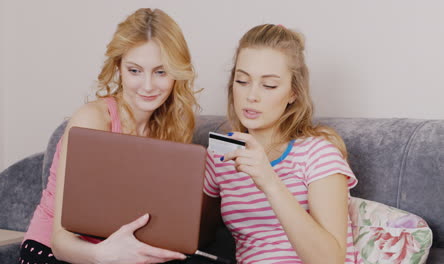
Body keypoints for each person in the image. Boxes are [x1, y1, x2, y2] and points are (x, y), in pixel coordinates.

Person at [20, 8, 198, 264]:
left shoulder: (171, 129)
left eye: (161, 72)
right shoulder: (92, 120)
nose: (148, 86)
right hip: (58, 253)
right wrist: (103, 255)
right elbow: (60, 243)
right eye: (135, 71)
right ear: (118, 68)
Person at [203, 24, 360, 263]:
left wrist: (270, 182)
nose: (251, 95)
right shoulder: (221, 157)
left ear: (293, 93)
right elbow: (192, 235)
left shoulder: (318, 153)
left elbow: (331, 260)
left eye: (269, 85)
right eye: (242, 81)